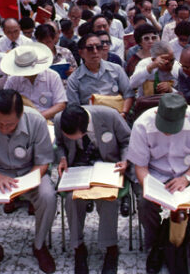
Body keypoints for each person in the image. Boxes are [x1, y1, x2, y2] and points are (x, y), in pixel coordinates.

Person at [0, 89, 57, 274]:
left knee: (48, 196)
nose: (4, 128)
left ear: (21, 115)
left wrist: (26, 182)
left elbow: (43, 162)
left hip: (29, 173)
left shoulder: (36, 121)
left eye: (10, 125)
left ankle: (39, 245)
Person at [127, 93, 190, 274]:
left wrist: (186, 178)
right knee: (145, 204)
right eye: (164, 127)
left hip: (189, 173)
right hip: (155, 173)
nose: (167, 132)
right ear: (157, 113)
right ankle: (156, 244)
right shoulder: (142, 124)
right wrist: (151, 188)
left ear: (185, 116)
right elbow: (140, 166)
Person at [53, 104, 130, 274]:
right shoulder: (60, 120)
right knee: (71, 199)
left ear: (85, 128)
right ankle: (78, 247)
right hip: (77, 167)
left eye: (75, 136)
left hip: (108, 165)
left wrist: (125, 160)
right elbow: (58, 144)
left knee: (108, 198)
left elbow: (127, 141)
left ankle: (110, 247)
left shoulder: (109, 116)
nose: (71, 139)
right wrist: (63, 158)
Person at [66, 33, 134, 117]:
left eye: (98, 47)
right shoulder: (74, 79)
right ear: (81, 53)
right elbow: (74, 108)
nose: (95, 51)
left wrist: (123, 113)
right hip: (90, 120)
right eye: (90, 48)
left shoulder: (116, 69)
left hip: (118, 116)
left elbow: (129, 95)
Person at [2, 43, 67, 119]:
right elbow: (5, 102)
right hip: (21, 120)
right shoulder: (13, 80)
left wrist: (39, 117)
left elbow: (60, 104)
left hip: (48, 119)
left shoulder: (52, 76)